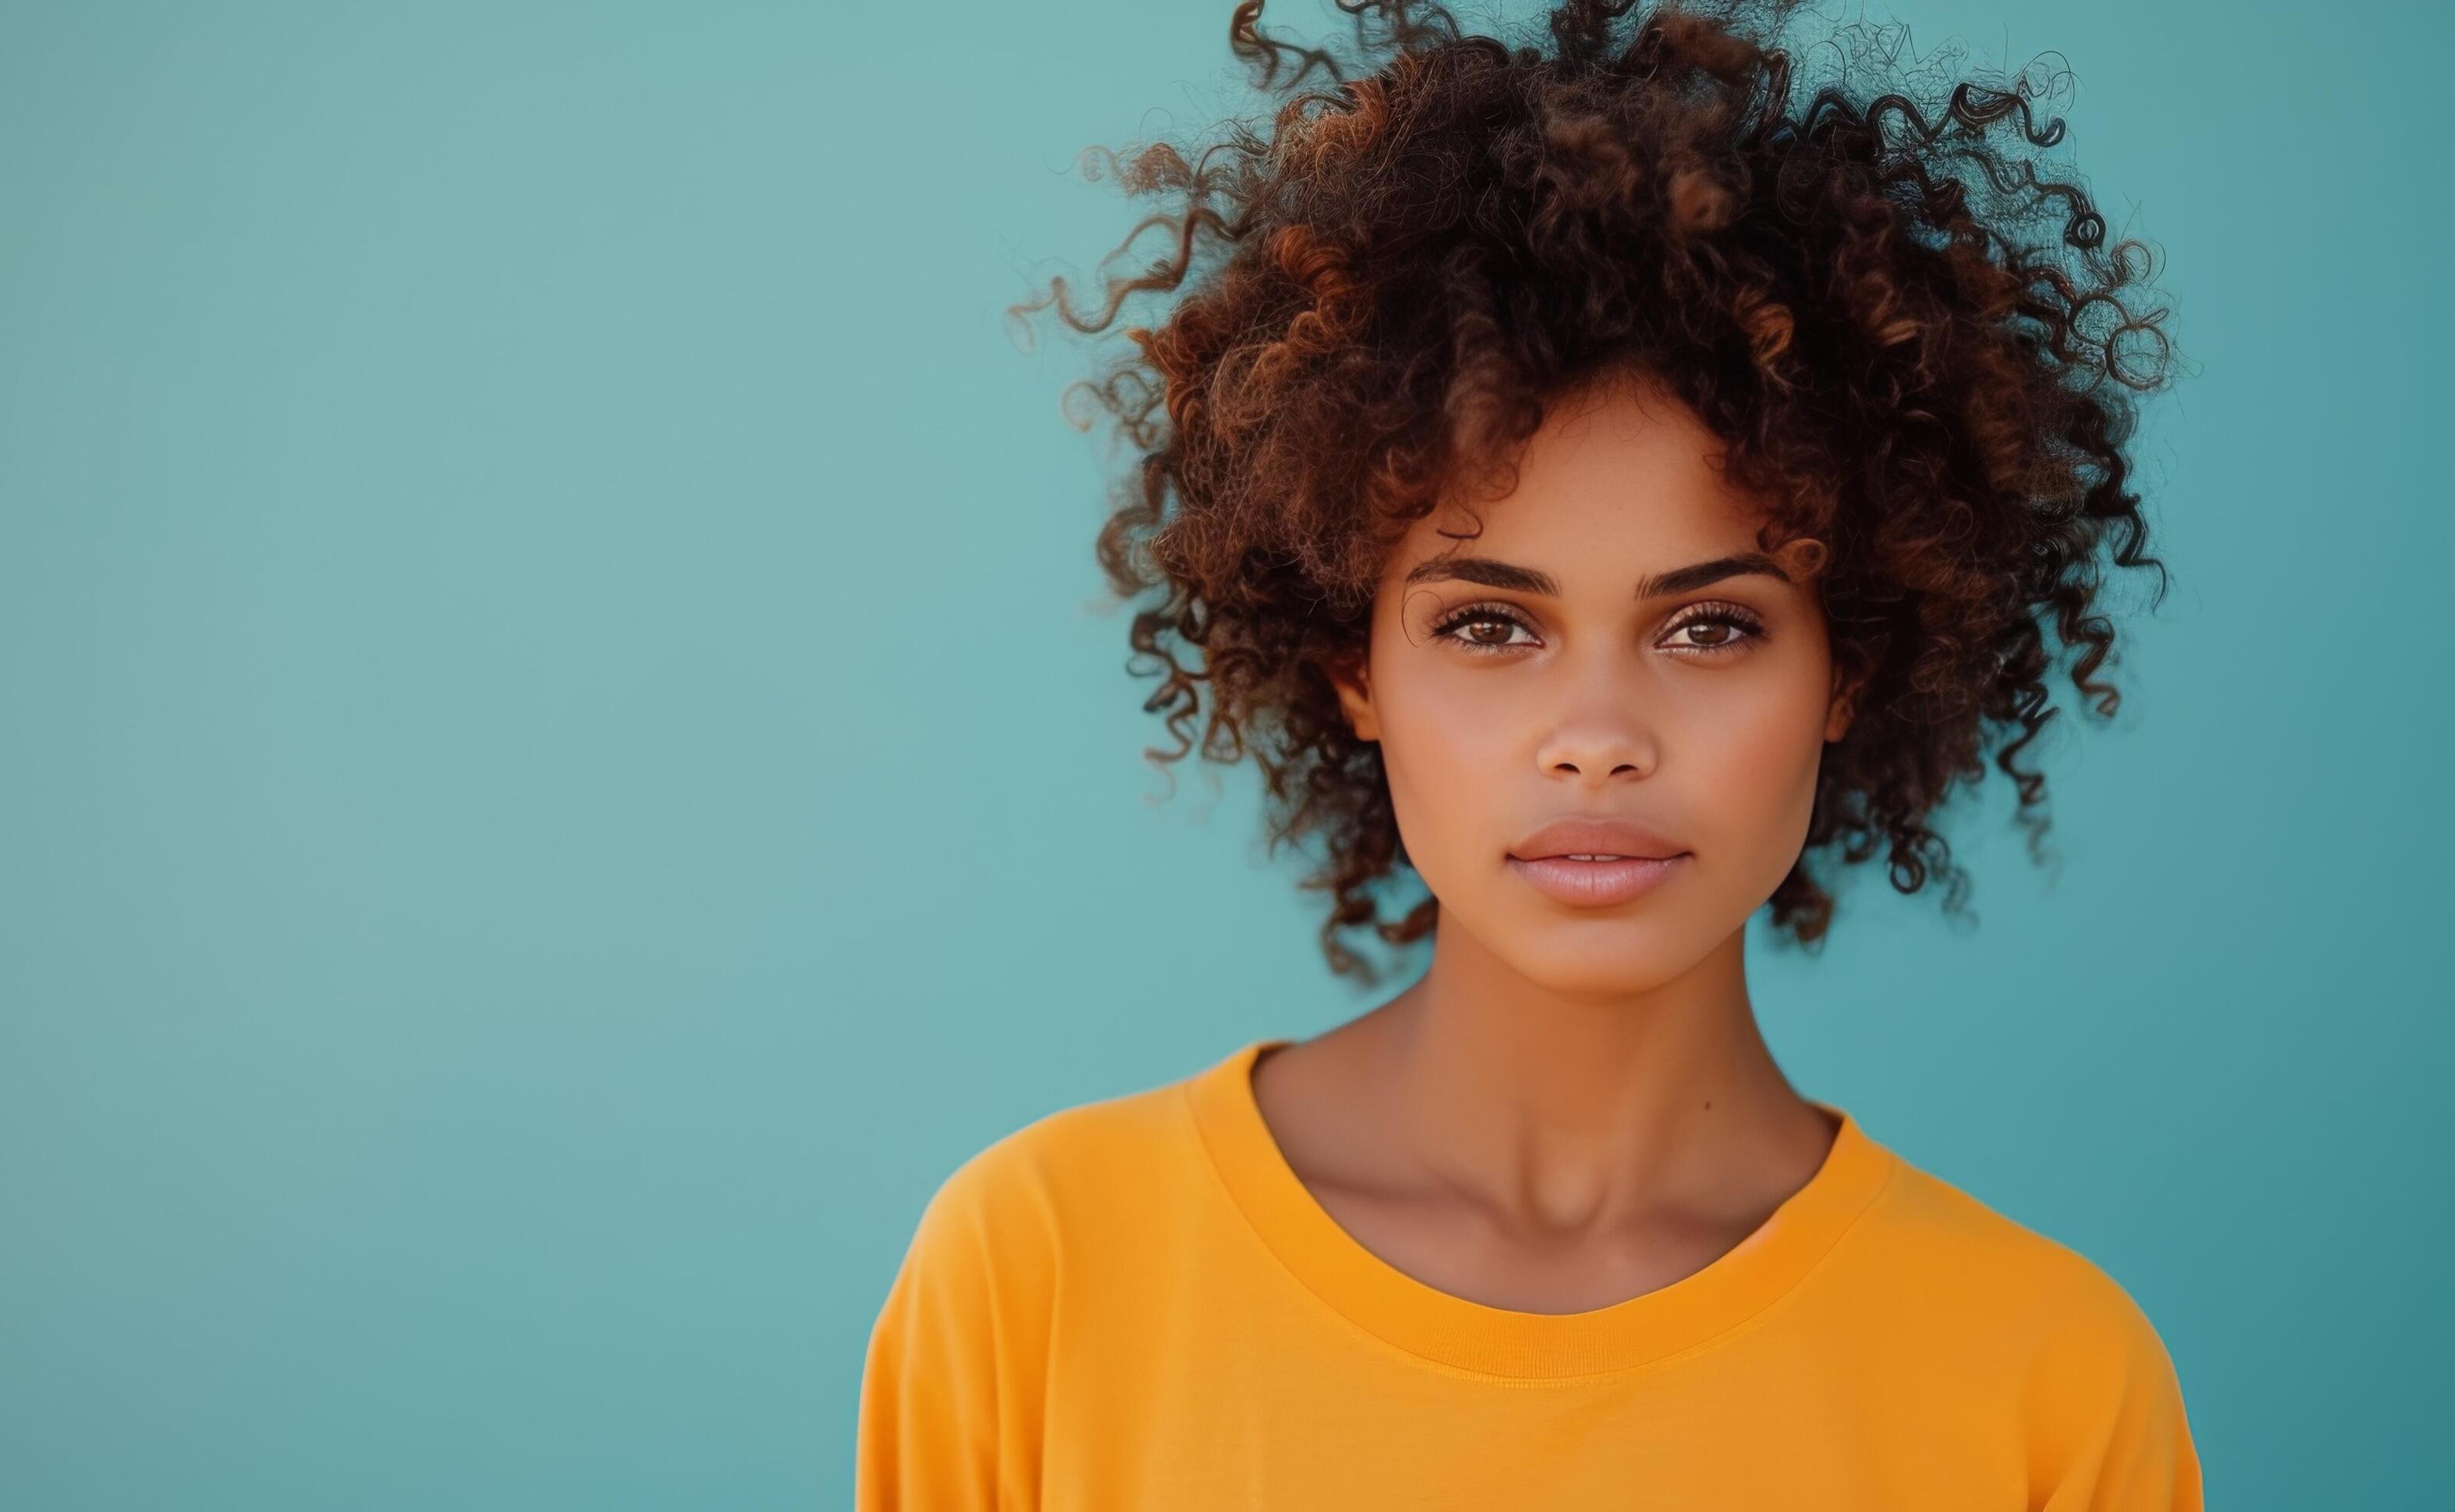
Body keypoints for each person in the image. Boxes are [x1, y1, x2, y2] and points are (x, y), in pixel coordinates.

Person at [858, 1, 2198, 1505]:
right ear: (1349, 664)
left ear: (1855, 665)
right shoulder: (1038, 1274)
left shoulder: (2047, 1380)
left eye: (1710, 630)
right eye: (1492, 627)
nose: (1599, 742)